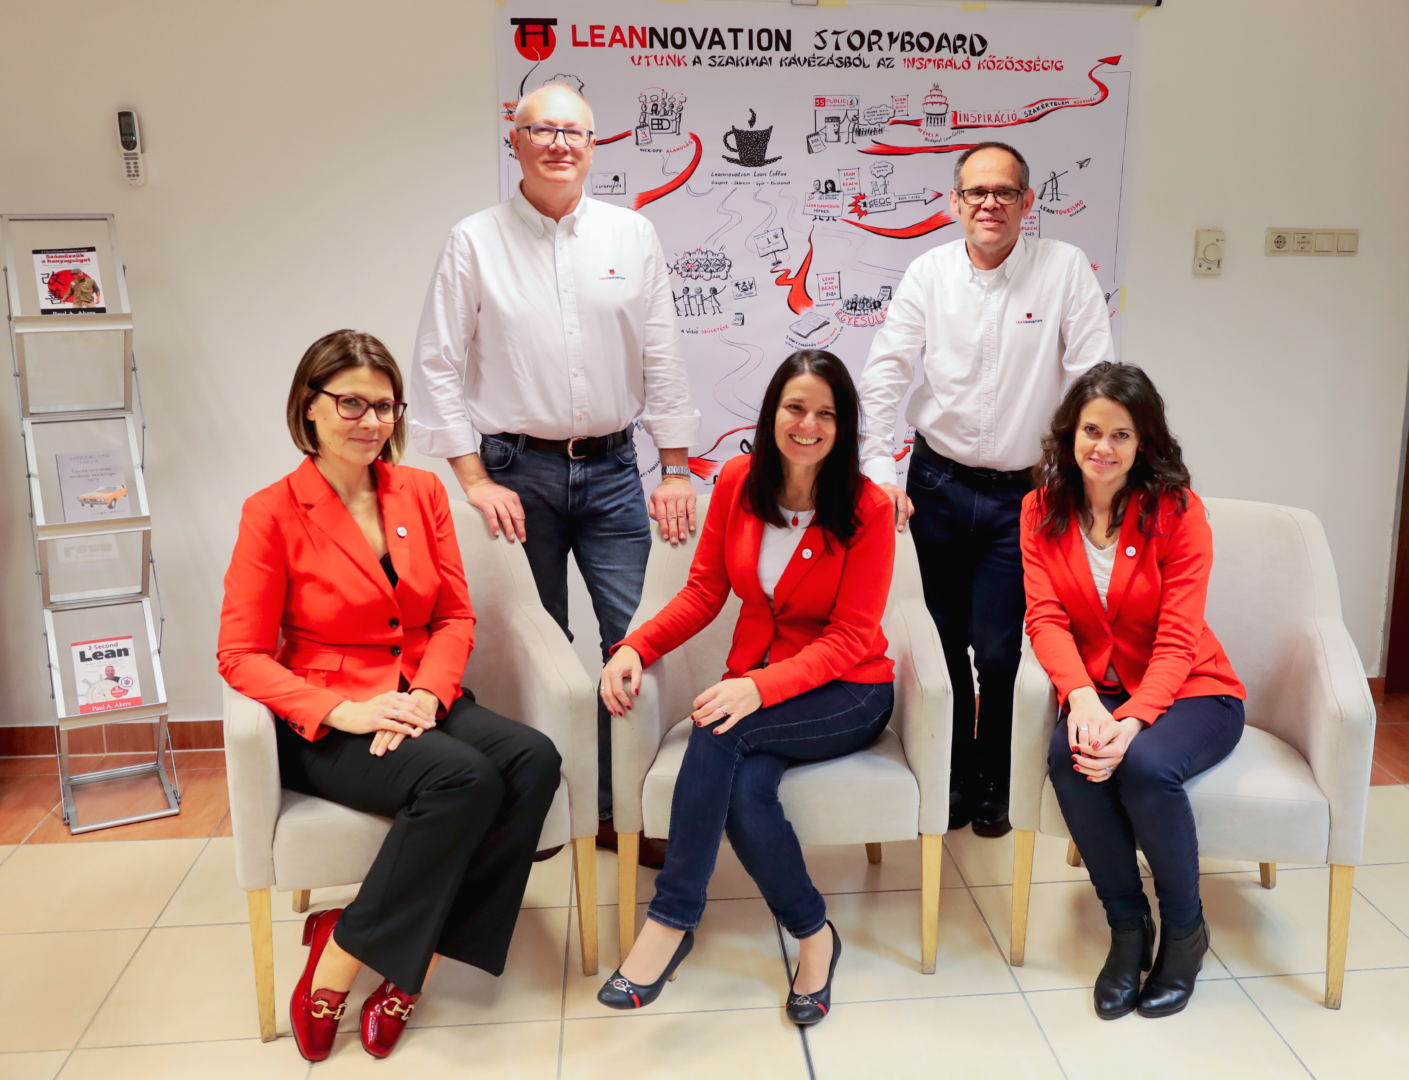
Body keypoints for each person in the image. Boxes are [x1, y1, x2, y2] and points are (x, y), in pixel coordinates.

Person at [217, 330, 561, 1062]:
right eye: (351, 404)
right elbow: (239, 655)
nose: (371, 421)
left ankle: (391, 952)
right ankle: (342, 967)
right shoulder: (271, 511)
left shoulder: (421, 491)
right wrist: (345, 711)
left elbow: (454, 616)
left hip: (419, 699)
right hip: (331, 722)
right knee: (464, 778)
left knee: (533, 758)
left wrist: (429, 697)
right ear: (309, 406)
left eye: (385, 406)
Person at [408, 82, 700, 866]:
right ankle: (543, 809)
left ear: (594, 145)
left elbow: (662, 353)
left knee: (632, 638)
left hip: (613, 472)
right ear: (515, 141)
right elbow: (435, 363)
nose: (559, 144)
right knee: (538, 645)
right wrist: (473, 479)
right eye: (542, 130)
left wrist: (674, 468)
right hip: (515, 474)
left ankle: (617, 808)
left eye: (574, 131)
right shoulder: (474, 240)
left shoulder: (631, 235)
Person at [594, 350, 896, 1027]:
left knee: (715, 726)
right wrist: (635, 646)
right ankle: (815, 937)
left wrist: (757, 688)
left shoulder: (869, 508)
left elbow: (851, 637)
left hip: (848, 690)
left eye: (826, 414)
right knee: (747, 795)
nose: (808, 425)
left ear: (844, 425)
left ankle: (670, 921)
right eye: (796, 408)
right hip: (763, 690)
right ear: (771, 413)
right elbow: (704, 591)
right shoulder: (736, 481)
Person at [857, 141, 1114, 837]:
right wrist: (879, 472)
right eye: (976, 192)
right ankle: (948, 772)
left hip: (1024, 496)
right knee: (941, 644)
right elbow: (884, 374)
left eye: (1004, 192)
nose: (989, 204)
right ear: (955, 202)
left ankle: (994, 775)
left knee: (999, 650)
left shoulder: (1063, 270)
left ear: (1027, 202)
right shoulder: (928, 273)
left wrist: (1086, 482)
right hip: (937, 483)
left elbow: (1093, 377)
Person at [1021, 362, 1245, 1019]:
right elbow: (1045, 618)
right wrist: (1080, 697)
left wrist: (1134, 720)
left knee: (1144, 766)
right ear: (1070, 433)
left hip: (1194, 689)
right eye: (1092, 430)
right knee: (1068, 756)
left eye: (1121, 435)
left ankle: (1185, 931)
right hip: (1102, 689)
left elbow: (1178, 639)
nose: (1103, 447)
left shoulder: (1178, 512)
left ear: (1143, 442)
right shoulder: (1040, 509)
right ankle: (1127, 928)